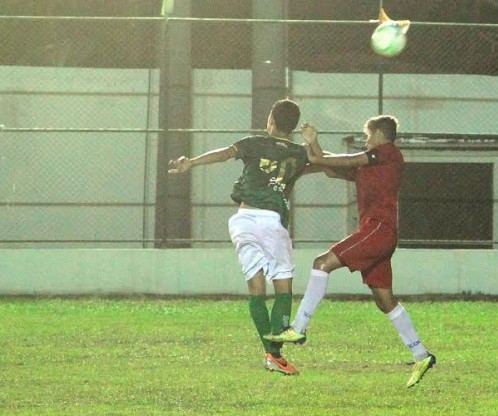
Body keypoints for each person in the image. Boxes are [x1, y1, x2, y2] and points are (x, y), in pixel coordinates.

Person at [265, 115, 436, 388]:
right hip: (380, 232)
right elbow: (329, 164)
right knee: (384, 300)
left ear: (380, 134)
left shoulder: (387, 153)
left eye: (368, 135)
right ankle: (421, 355)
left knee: (322, 263)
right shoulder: (370, 164)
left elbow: (341, 160)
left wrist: (313, 145)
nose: (366, 140)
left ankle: (298, 329)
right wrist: (308, 156)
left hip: (378, 229)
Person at [168, 99, 315, 376]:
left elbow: (224, 154)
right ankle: (276, 348)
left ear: (270, 121)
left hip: (243, 221)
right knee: (282, 288)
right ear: (294, 127)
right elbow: (322, 161)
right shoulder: (298, 154)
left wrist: (192, 163)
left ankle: (272, 357)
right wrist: (313, 145)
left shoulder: (254, 143)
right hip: (272, 221)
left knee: (256, 289)